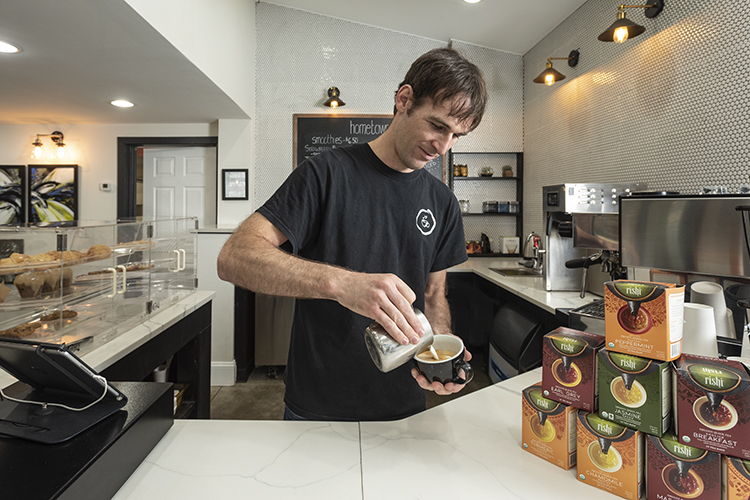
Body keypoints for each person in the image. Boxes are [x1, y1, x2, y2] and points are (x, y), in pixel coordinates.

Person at [217, 47, 488, 421]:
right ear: (404, 99)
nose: (443, 147)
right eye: (438, 125)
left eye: (458, 135)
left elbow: (433, 292)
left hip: (403, 408)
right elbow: (234, 257)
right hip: (316, 405)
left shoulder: (442, 201)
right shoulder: (324, 174)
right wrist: (341, 284)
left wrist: (439, 349)